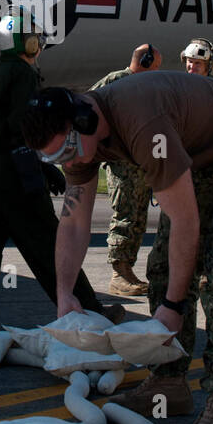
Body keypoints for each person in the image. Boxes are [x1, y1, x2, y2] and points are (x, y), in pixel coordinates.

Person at [23, 71, 213, 424]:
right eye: (57, 158)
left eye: (68, 150)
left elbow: (185, 220)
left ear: (85, 119)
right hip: (200, 157)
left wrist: (173, 307)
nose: (70, 161)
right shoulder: (79, 137)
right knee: (163, 268)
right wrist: (64, 294)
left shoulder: (145, 125)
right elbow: (73, 219)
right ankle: (169, 384)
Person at [0, 10, 116, 332]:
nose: (39, 40)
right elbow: (26, 126)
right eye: (34, 34)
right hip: (15, 169)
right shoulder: (23, 74)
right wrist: (41, 165)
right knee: (48, 242)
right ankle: (88, 313)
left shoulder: (2, 71)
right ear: (26, 40)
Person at [89, 43, 161, 297]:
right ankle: (118, 274)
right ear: (146, 61)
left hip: (140, 167)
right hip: (122, 168)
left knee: (138, 221)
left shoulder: (146, 87)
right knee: (125, 218)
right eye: (155, 65)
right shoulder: (116, 81)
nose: (157, 71)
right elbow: (88, 108)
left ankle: (127, 270)